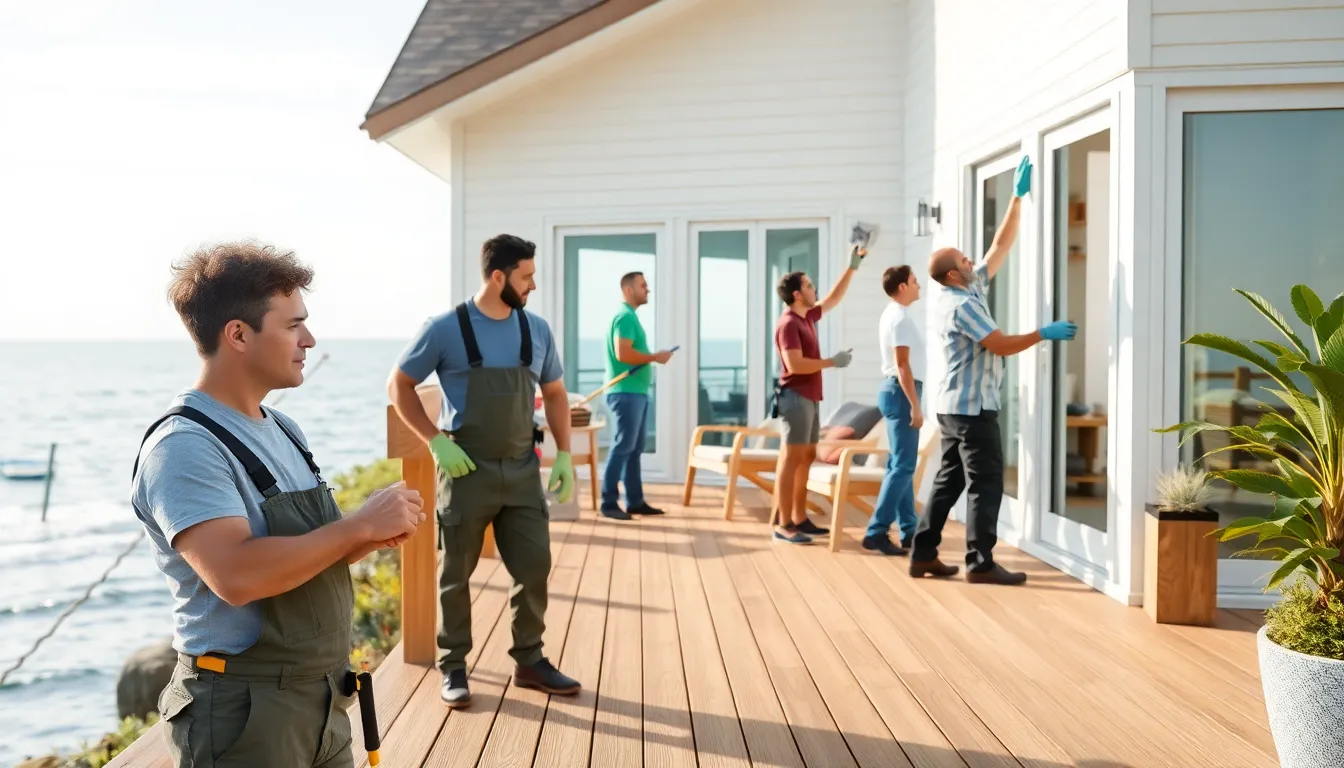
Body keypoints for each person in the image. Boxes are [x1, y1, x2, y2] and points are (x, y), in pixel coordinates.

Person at [132, 241, 426, 768]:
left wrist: (364, 537)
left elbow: (303, 562)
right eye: (293, 325)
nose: (309, 340)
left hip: (321, 699)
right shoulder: (183, 447)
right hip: (242, 713)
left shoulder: (284, 429)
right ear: (239, 334)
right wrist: (355, 524)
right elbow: (237, 575)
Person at [388, 233, 580, 709]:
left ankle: (530, 661)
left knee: (534, 567)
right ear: (499, 277)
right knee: (455, 573)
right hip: (465, 469)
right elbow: (401, 384)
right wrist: (435, 440)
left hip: (521, 470)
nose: (533, 284)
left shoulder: (536, 330)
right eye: (526, 276)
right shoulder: (444, 328)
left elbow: (555, 393)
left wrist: (564, 454)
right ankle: (453, 665)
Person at [912, 155, 1077, 584]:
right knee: (985, 482)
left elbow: (1000, 247)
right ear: (952, 274)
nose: (972, 261)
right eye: (965, 260)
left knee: (949, 480)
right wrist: (1043, 332)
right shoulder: (961, 304)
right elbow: (1000, 344)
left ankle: (923, 554)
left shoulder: (967, 286)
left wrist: (1017, 198)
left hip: (953, 407)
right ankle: (979, 563)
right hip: (970, 409)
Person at [770, 244, 865, 545]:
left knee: (806, 457)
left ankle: (799, 518)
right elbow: (794, 364)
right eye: (809, 285)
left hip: (809, 396)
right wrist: (831, 362)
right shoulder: (788, 323)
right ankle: (783, 524)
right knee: (792, 458)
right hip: (795, 397)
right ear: (797, 293)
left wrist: (852, 267)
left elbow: (834, 298)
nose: (814, 289)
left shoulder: (807, 317)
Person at [600, 270, 675, 520]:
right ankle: (609, 503)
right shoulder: (624, 317)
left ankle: (635, 501)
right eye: (643, 286)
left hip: (636, 393)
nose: (648, 290)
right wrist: (655, 357)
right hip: (626, 393)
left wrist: (654, 357)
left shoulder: (630, 317)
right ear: (629, 290)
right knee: (623, 447)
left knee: (633, 450)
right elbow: (623, 354)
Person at [863, 264, 924, 556]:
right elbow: (902, 366)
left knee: (898, 465)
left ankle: (910, 531)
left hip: (893, 392)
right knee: (903, 466)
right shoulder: (900, 319)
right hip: (901, 394)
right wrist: (915, 405)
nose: (919, 284)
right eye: (914, 280)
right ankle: (876, 532)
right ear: (902, 286)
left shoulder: (893, 314)